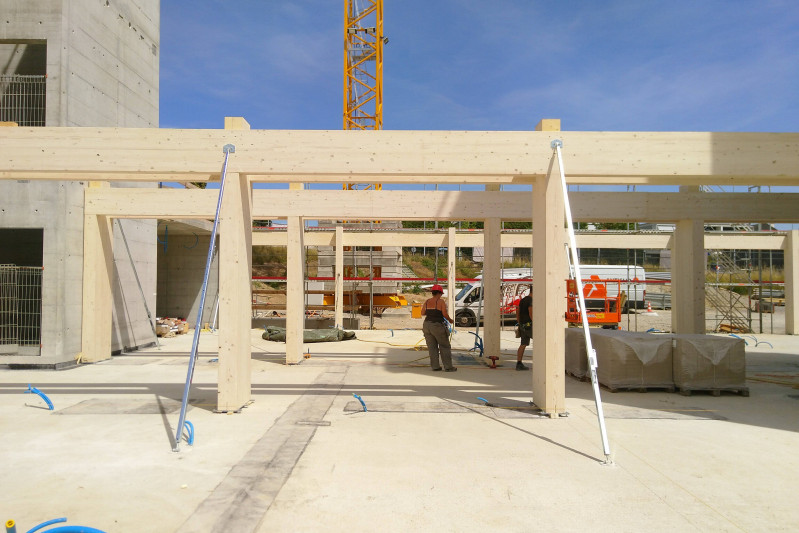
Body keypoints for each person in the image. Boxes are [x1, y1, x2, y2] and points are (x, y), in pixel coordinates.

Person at [420, 284, 456, 372]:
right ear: (439, 293)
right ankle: (448, 367)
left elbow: (422, 313)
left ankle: (435, 366)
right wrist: (450, 320)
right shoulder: (441, 302)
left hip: (427, 325)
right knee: (444, 346)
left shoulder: (427, 301)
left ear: (432, 293)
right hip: (437, 326)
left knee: (432, 347)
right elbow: (444, 314)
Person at [515, 288, 532, 371]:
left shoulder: (523, 300)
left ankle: (519, 363)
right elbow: (531, 313)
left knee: (523, 344)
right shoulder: (531, 301)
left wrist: (519, 322)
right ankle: (543, 362)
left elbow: (517, 311)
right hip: (530, 326)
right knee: (541, 342)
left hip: (523, 326)